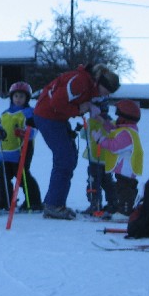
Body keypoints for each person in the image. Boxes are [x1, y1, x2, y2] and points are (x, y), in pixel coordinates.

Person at [33, 63, 120, 220]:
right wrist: (78, 109)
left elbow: (91, 107)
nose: (106, 95)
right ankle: (53, 205)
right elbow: (56, 102)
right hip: (47, 116)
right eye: (106, 91)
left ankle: (56, 203)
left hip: (57, 118)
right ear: (100, 82)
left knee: (70, 157)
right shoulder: (80, 81)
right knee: (65, 159)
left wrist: (103, 120)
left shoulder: (90, 85)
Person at [90, 99, 144, 217]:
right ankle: (124, 208)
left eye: (119, 116)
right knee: (123, 188)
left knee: (124, 190)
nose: (117, 119)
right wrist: (103, 121)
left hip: (126, 170)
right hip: (125, 169)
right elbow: (113, 128)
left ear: (125, 118)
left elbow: (114, 146)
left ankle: (125, 211)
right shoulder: (127, 129)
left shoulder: (126, 134)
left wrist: (100, 140)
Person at [0, 81, 42, 212]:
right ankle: (5, 202)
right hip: (5, 151)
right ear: (11, 97)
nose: (18, 99)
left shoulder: (29, 113)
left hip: (22, 150)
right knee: (2, 177)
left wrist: (23, 132)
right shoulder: (5, 114)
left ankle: (33, 201)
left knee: (22, 176)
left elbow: (33, 131)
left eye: (21, 96)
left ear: (27, 98)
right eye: (16, 96)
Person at [79, 99, 116, 215]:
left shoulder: (94, 123)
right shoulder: (110, 123)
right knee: (107, 181)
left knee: (94, 181)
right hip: (106, 160)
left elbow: (84, 134)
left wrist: (83, 129)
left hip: (96, 159)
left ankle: (96, 204)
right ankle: (112, 203)